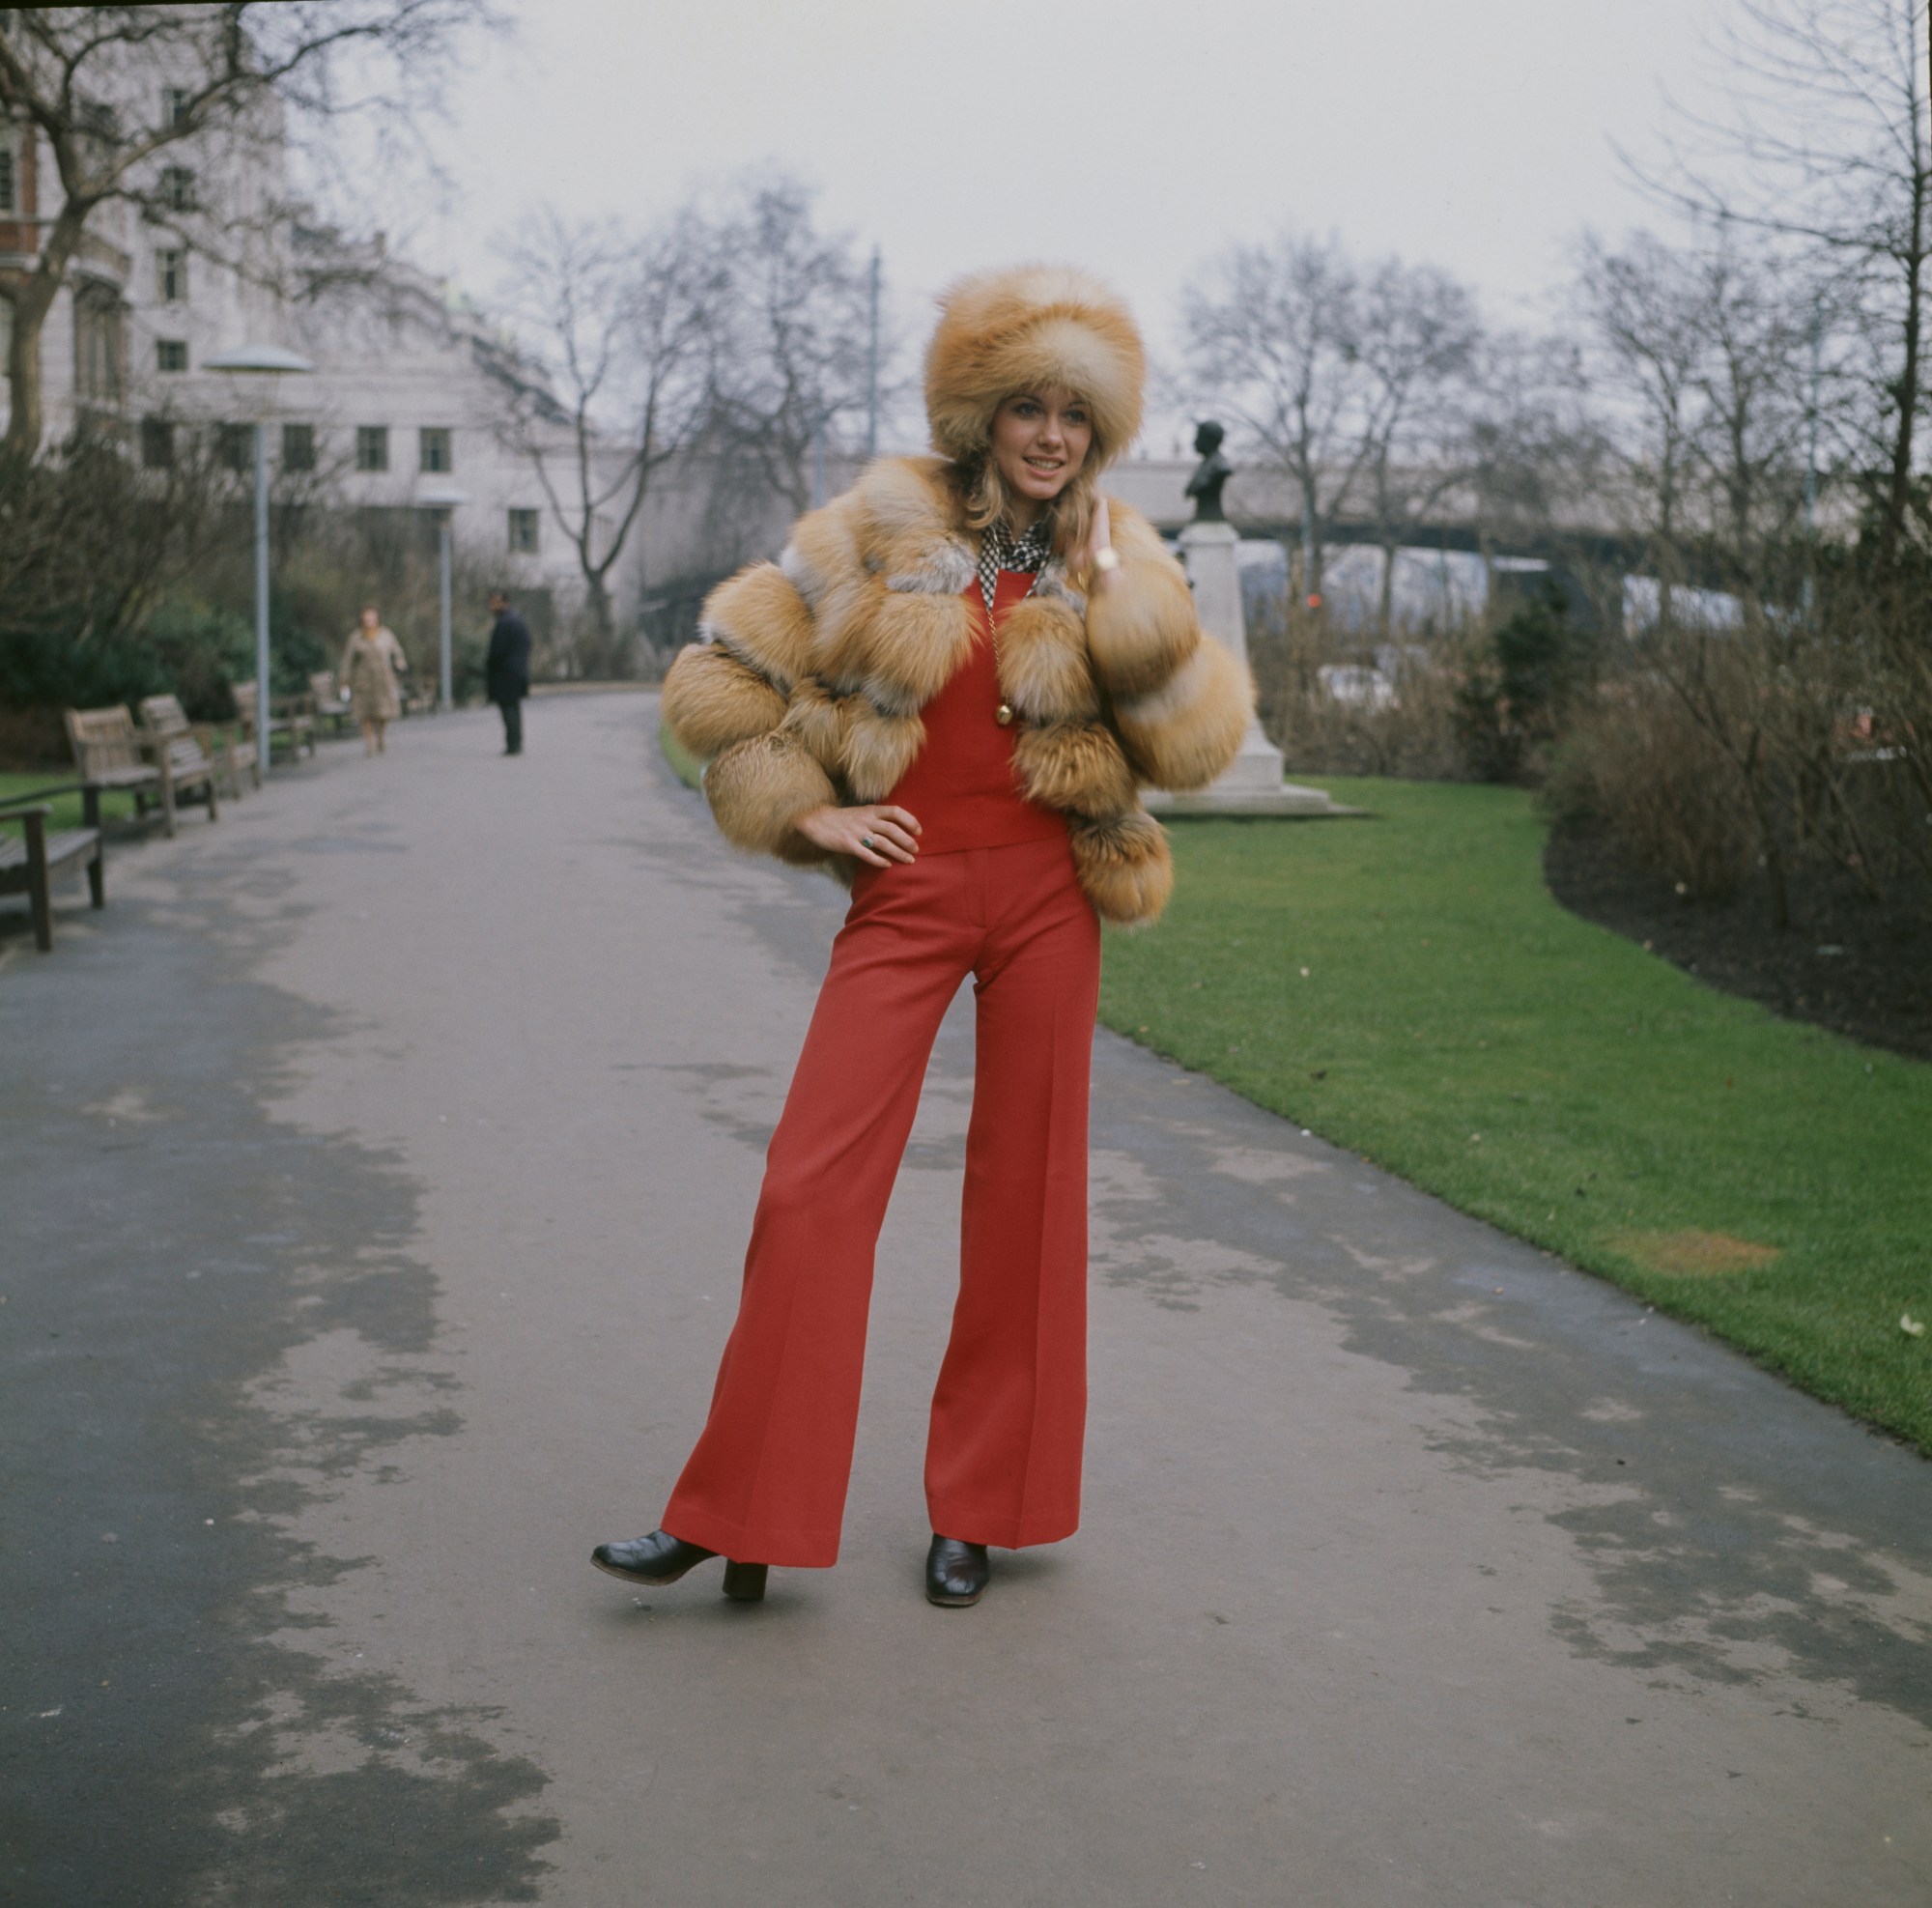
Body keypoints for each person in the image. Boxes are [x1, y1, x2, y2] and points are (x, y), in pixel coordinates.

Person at [591, 266, 1252, 1609]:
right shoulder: (881, 523)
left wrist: (1119, 595)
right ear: (983, 412)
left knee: (1028, 1195)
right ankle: (743, 1507)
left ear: (1101, 429)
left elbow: (1193, 741)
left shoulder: (1118, 549)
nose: (1052, 435)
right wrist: (812, 813)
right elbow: (715, 675)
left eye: (1076, 412)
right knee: (811, 1182)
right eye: (1029, 406)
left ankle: (984, 1508)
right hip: (910, 886)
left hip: (1049, 894)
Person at [339, 606, 405, 756]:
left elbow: (397, 651)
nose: (369, 621)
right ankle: (369, 743)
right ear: (362, 619)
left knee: (383, 712)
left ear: (377, 619)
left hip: (383, 679)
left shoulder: (386, 634)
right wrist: (344, 678)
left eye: (372, 617)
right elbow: (347, 660)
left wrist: (400, 662)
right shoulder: (356, 637)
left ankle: (380, 736)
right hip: (364, 680)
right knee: (364, 713)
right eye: (366, 618)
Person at [485, 589, 531, 755]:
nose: (492, 606)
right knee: (514, 707)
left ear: (504, 602)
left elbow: (497, 651)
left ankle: (513, 744)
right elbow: (527, 644)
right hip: (518, 671)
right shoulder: (518, 620)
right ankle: (516, 742)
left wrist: (491, 666)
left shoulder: (504, 623)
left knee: (508, 708)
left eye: (495, 603)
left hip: (506, 673)